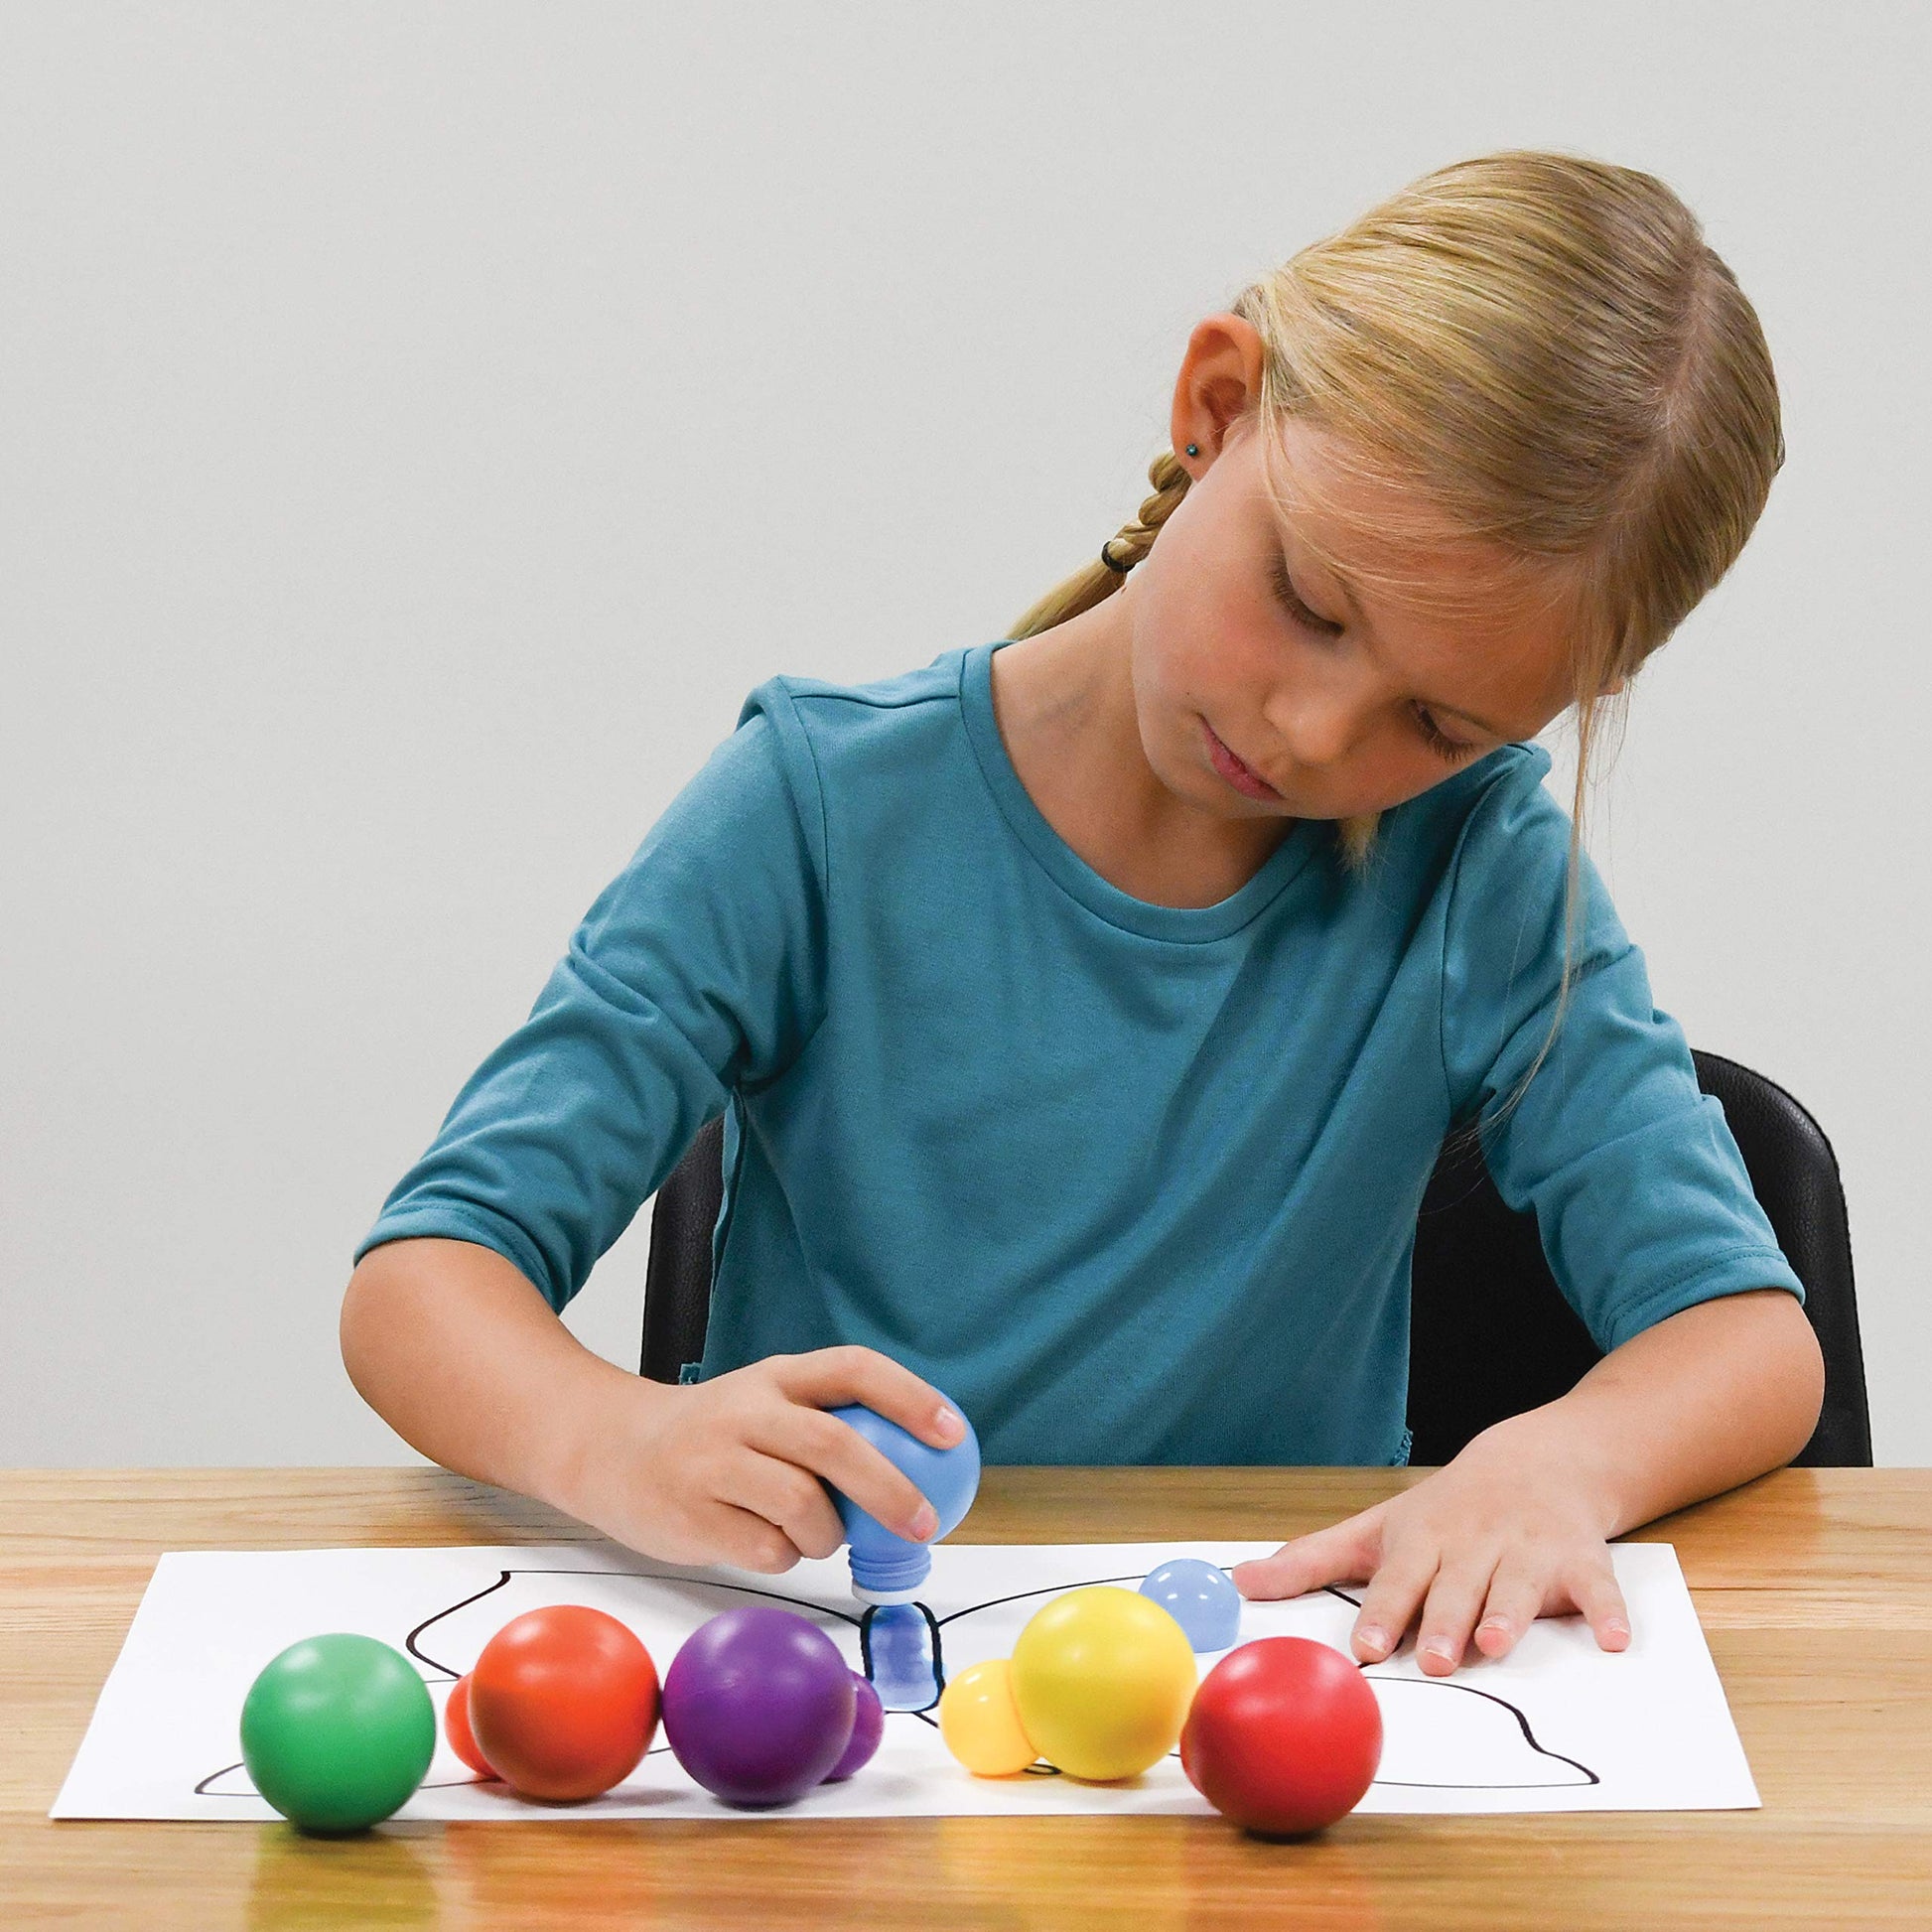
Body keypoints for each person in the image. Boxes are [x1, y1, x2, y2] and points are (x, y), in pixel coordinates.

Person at [340, 151, 1824, 1679]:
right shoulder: (817, 806)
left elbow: (1747, 1339)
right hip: (852, 1706)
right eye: (1312, 603)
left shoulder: (1477, 873)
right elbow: (423, 1280)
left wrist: (1560, 1460)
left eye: (1439, 724)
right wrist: (614, 1435)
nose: (1315, 731)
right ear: (1214, 408)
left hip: (1245, 1723)